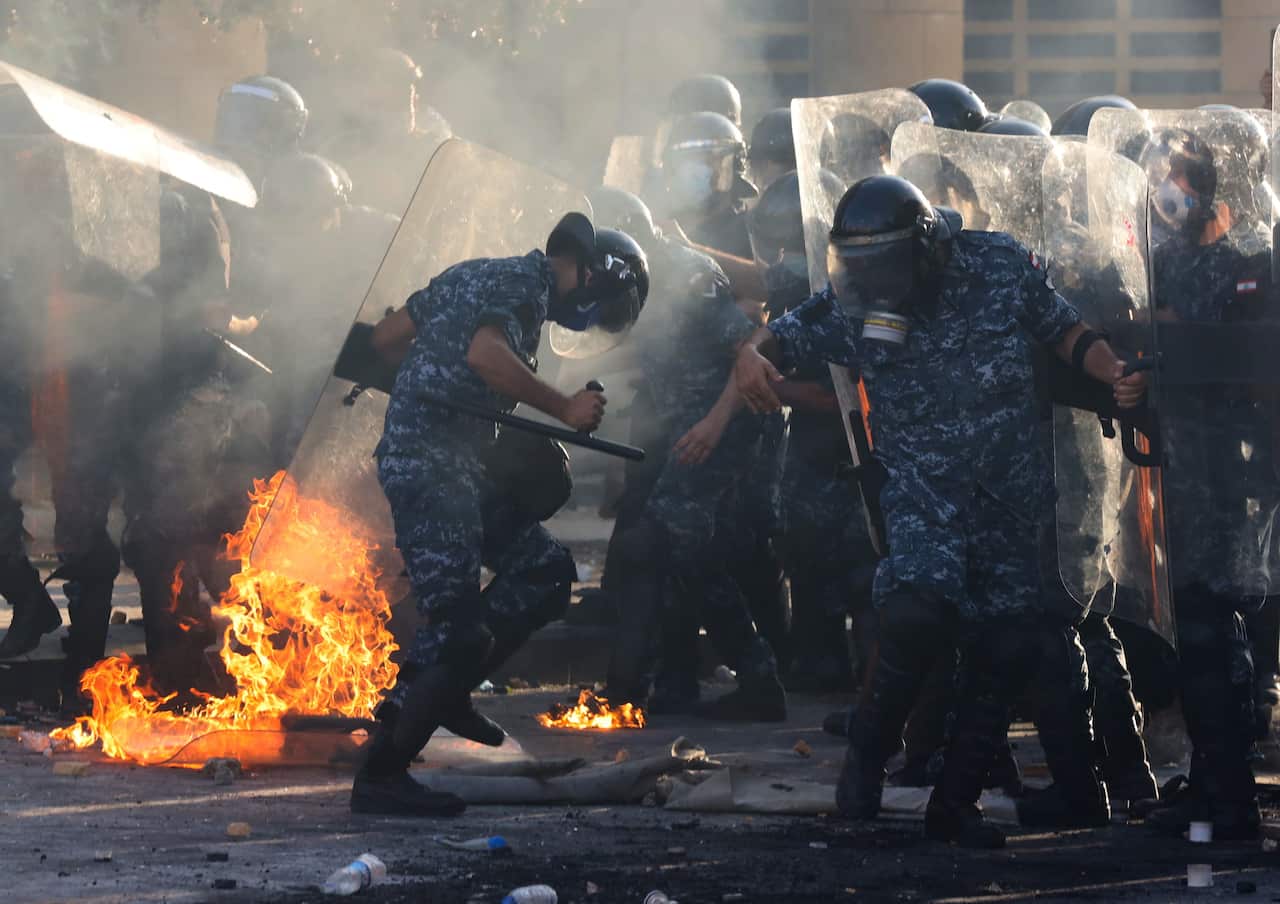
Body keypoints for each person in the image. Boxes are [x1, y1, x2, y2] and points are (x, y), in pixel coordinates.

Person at [734, 175, 1145, 847]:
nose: (875, 279)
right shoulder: (857, 295)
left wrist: (1112, 372)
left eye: (885, 264)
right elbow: (774, 341)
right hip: (925, 493)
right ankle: (867, 758)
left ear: (924, 250)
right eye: (861, 266)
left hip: (1011, 499)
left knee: (1005, 644)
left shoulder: (997, 265)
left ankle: (954, 806)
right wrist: (750, 360)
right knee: (917, 607)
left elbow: (1069, 332)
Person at [352, 213, 647, 817]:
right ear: (590, 274)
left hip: (458, 464)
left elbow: (384, 342)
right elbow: (486, 353)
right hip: (432, 469)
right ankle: (380, 775)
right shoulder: (525, 288)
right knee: (459, 633)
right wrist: (565, 406)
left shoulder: (472, 275)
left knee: (544, 570)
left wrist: (431, 382)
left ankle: (447, 693)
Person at [1134, 129, 1274, 840]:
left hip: (1228, 477)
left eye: (1179, 176)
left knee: (1213, 627)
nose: (1167, 189)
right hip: (1176, 477)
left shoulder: (1249, 264)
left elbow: (1250, 360)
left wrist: (1180, 330)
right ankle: (1217, 785)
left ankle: (1233, 801)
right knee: (1200, 633)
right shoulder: (1164, 261)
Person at [747, 171, 877, 692]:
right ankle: (821, 666)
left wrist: (774, 388)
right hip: (810, 460)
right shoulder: (801, 286)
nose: (780, 262)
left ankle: (872, 694)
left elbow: (843, 395)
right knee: (807, 562)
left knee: (866, 580)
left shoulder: (849, 292)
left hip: (850, 461)